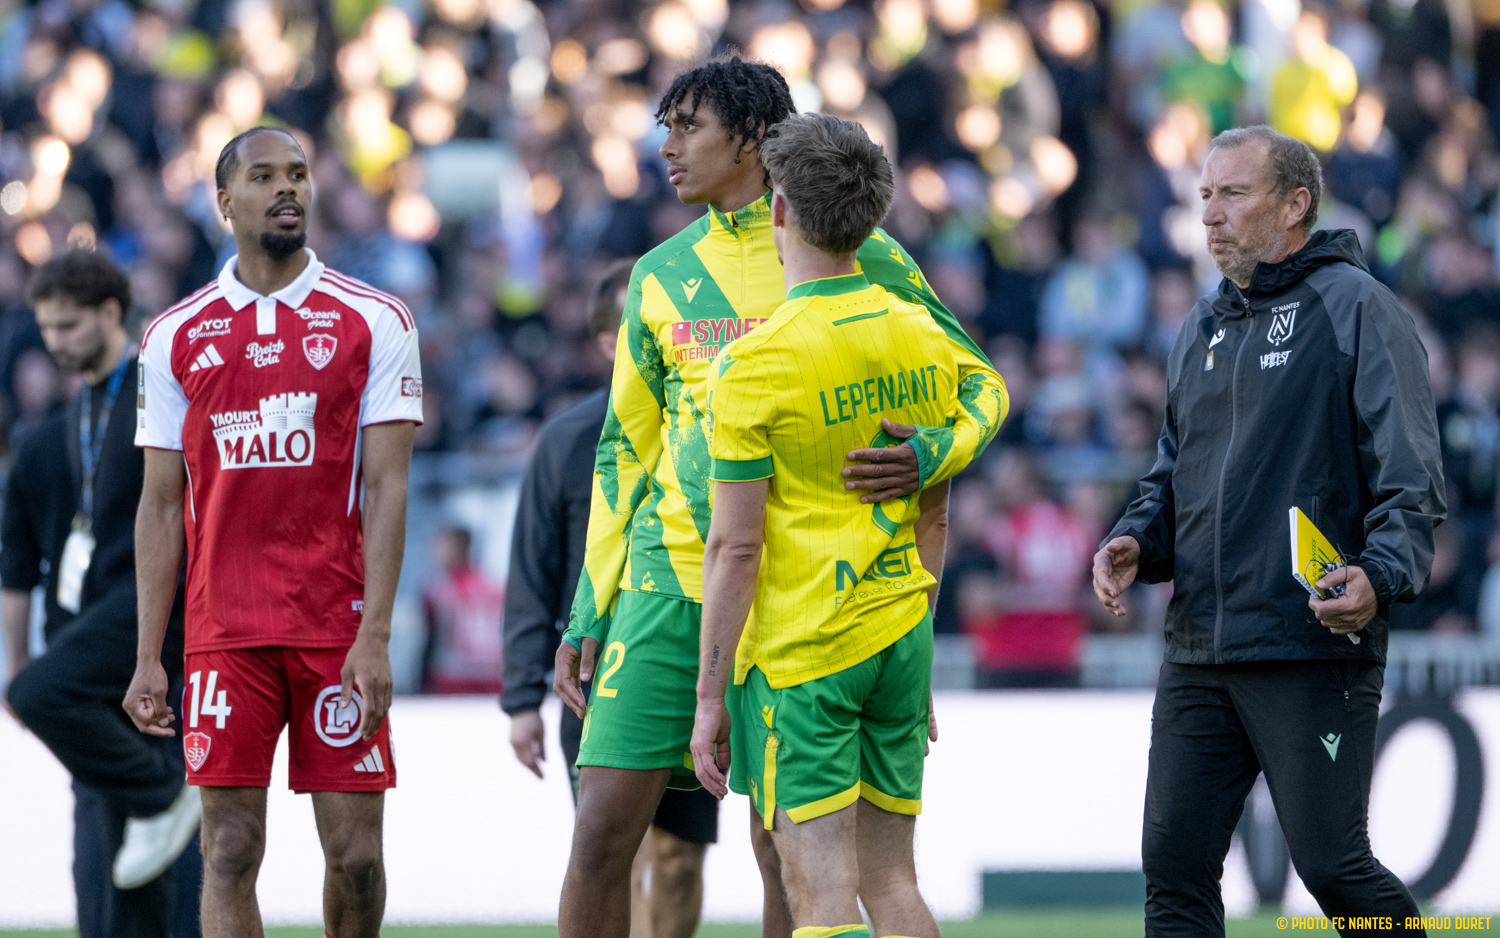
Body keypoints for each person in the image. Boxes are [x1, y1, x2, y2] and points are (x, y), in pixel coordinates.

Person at [551, 57, 1008, 938]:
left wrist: (931, 454)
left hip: (794, 596)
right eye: (666, 128)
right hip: (669, 583)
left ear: (752, 140)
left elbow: (979, 384)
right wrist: (589, 607)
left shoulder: (860, 253)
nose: (666, 147)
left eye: (688, 127)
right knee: (602, 831)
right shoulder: (658, 275)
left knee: (785, 850)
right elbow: (625, 449)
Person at [1092, 125, 1443, 938]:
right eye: (1204, 195)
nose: (1210, 214)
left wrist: (1380, 574)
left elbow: (1412, 475)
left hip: (1307, 640)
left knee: (1334, 867)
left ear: (1295, 205)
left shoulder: (1359, 308)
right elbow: (1174, 475)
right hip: (1199, 648)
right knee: (1173, 872)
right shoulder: (1199, 328)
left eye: (1233, 193)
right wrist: (1138, 538)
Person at [691, 112, 1004, 938]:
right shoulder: (921, 337)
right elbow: (937, 508)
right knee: (893, 882)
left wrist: (708, 696)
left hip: (804, 650)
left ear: (779, 210)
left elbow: (736, 547)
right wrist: (918, 635)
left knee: (819, 887)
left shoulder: (752, 365)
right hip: (900, 629)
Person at [125, 126, 423, 938]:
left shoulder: (374, 319)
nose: (287, 187)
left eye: (297, 173)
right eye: (263, 176)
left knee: (356, 858)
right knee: (228, 848)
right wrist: (150, 654)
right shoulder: (173, 335)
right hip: (225, 632)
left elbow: (389, 486)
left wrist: (375, 635)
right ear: (224, 202)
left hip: (336, 630)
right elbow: (160, 503)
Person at [503, 258, 720, 938]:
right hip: (596, 674)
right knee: (614, 849)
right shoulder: (567, 441)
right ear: (608, 344)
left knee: (680, 859)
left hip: (689, 654)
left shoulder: (707, 429)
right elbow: (532, 570)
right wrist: (520, 699)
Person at [3, 249, 202, 937]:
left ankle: (167, 794)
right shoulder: (43, 439)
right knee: (103, 896)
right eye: (46, 328)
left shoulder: (166, 397)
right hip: (86, 665)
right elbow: (16, 571)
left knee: (180, 897)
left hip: (159, 650)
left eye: (68, 325)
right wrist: (22, 661)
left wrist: (30, 680)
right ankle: (164, 799)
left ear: (111, 312)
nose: (54, 342)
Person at [421, 526, 505, 694]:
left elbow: (429, 642)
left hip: (451, 679)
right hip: (493, 678)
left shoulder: (440, 589)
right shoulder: (495, 586)